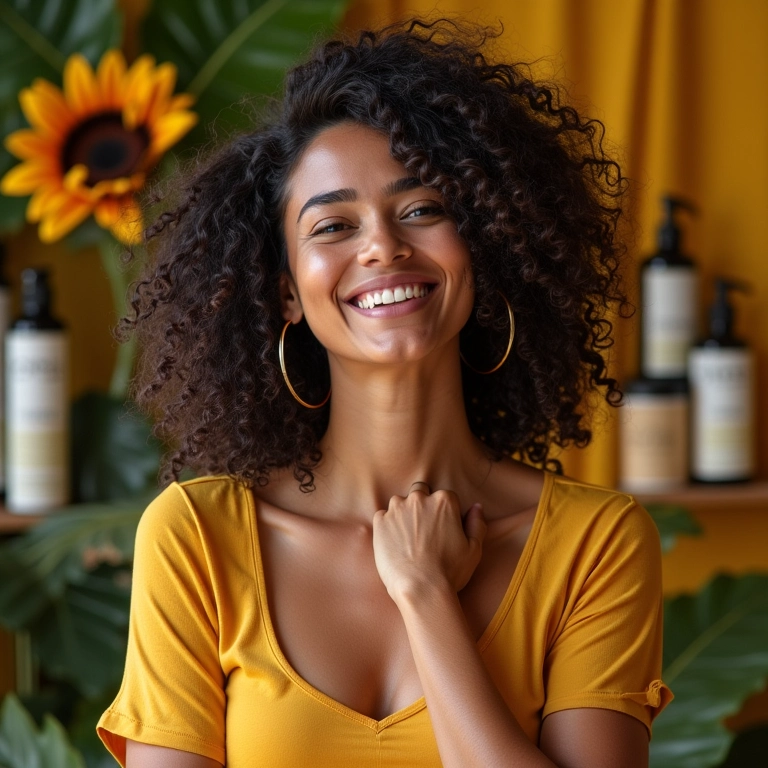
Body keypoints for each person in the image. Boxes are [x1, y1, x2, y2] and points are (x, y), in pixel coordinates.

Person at [96, 19, 672, 768]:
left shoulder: (594, 544)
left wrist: (426, 595)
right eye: (333, 225)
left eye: (422, 210)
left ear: (484, 247)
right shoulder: (197, 538)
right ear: (287, 293)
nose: (382, 247)